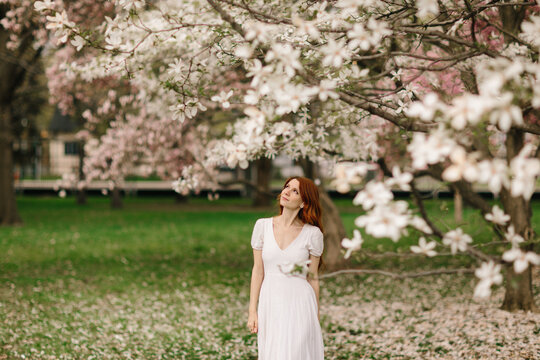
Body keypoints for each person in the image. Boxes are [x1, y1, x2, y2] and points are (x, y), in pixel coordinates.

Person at [247, 176, 325, 359]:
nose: (287, 192)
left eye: (295, 191)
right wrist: (252, 310)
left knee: (296, 353)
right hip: (270, 302)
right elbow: (258, 271)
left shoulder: (312, 234)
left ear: (304, 202)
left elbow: (312, 277)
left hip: (300, 304)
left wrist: (316, 313)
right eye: (287, 187)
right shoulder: (262, 226)